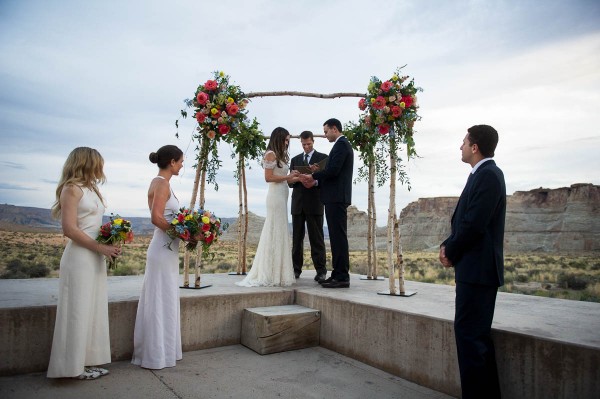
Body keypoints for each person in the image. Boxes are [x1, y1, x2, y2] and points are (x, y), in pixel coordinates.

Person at [439, 124, 506, 399]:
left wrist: (450, 249)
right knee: (475, 341)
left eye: (464, 141)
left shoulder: (489, 175)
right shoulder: (481, 174)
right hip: (474, 269)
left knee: (470, 341)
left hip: (479, 271)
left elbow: (474, 223)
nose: (461, 146)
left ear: (475, 146)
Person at [47, 147, 118, 380]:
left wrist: (111, 238)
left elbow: (92, 223)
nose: (101, 168)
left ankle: (85, 363)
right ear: (87, 163)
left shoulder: (92, 189)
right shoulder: (71, 189)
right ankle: (71, 368)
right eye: (98, 163)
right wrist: (101, 247)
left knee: (91, 309)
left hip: (94, 257)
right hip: (79, 257)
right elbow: (69, 229)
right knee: (76, 311)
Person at [132, 145, 184, 369]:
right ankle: (155, 356)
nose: (182, 164)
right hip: (162, 249)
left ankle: (163, 352)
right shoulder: (161, 184)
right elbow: (156, 218)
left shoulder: (160, 183)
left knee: (164, 299)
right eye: (181, 161)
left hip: (165, 250)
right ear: (172, 162)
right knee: (160, 300)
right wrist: (184, 233)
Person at [236, 127, 300, 287]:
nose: (287, 143)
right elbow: (268, 177)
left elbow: (283, 178)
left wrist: (295, 177)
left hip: (282, 194)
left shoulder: (280, 156)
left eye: (288, 140)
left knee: (281, 229)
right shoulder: (270, 154)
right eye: (285, 140)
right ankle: (270, 272)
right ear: (278, 138)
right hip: (275, 197)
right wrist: (288, 176)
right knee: (274, 228)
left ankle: (277, 271)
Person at [299, 118, 353, 288]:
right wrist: (318, 172)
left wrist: (313, 176)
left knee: (338, 237)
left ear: (334, 129)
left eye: (326, 131)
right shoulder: (340, 145)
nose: (325, 135)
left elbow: (334, 171)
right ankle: (337, 273)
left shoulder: (342, 145)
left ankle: (342, 276)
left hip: (336, 197)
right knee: (336, 238)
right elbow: (331, 171)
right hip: (334, 197)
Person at [288, 130, 328, 281]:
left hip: (315, 203)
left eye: (309, 144)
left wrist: (315, 178)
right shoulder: (295, 159)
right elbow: (289, 182)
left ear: (313, 142)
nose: (306, 147)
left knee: (316, 239)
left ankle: (321, 271)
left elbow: (327, 180)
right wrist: (299, 178)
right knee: (297, 239)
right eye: (304, 144)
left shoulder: (323, 158)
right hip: (297, 204)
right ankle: (295, 270)